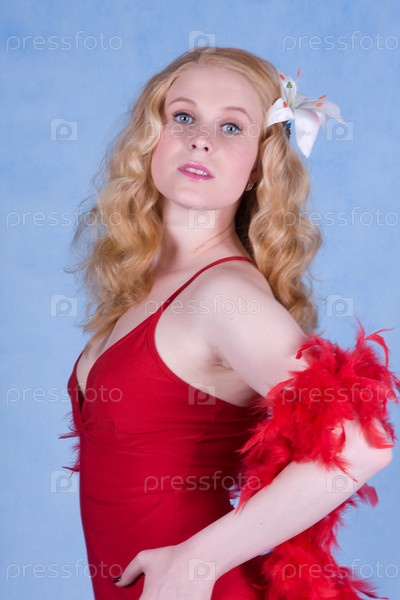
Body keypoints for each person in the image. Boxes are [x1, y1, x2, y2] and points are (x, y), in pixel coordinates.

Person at [65, 47, 397, 600]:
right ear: (152, 137)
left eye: (231, 127)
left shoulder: (224, 294)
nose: (202, 140)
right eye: (184, 116)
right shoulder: (153, 284)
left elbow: (362, 442)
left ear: (257, 167)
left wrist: (198, 563)